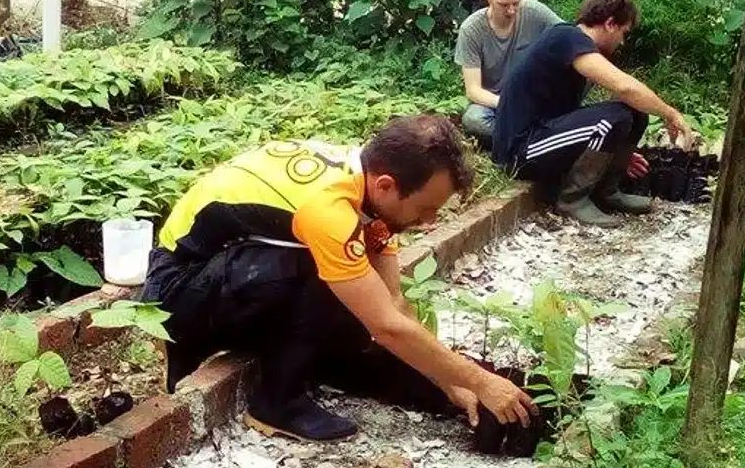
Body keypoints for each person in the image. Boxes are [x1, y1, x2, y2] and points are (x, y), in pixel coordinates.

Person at [141, 116, 538, 442]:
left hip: (238, 270)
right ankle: (277, 402)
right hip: (178, 289)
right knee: (328, 270)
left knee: (354, 289)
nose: (429, 222)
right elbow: (385, 326)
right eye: (425, 209)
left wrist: (452, 384)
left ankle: (308, 366)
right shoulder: (331, 210)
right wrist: (484, 382)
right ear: (387, 185)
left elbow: (393, 304)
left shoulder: (366, 190)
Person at [491, 0, 694, 227]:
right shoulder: (567, 38)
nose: (622, 41)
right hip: (519, 151)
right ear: (609, 23)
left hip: (543, 136)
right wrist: (671, 114)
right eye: (623, 32)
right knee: (614, 116)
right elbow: (625, 87)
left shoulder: (572, 42)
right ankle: (572, 199)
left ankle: (606, 191)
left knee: (635, 113)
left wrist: (614, 155)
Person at [454, 0, 564, 146]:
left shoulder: (535, 13)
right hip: (494, 103)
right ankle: (536, 137)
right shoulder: (471, 30)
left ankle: (522, 136)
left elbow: (569, 37)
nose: (511, 10)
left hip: (533, 96)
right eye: (504, 5)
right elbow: (473, 90)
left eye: (516, 3)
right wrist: (509, 103)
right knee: (474, 119)